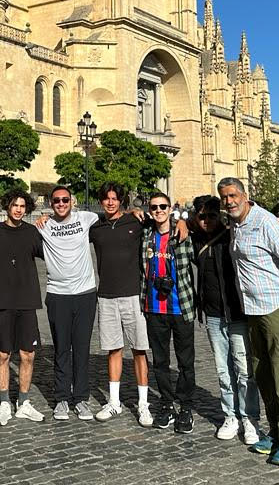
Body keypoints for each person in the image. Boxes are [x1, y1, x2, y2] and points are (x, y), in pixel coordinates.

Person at [217, 177, 279, 468]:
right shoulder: (235, 225)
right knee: (262, 373)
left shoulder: (266, 222)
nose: (229, 201)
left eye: (233, 195)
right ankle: (275, 432)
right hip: (252, 310)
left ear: (245, 195)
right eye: (224, 197)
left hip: (277, 306)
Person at [189, 195, 260, 445]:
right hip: (213, 315)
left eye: (212, 215)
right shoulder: (196, 239)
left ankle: (250, 418)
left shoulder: (234, 235)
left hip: (238, 313)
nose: (207, 220)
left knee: (244, 370)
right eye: (202, 216)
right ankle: (230, 416)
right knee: (222, 370)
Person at [35, 185, 100, 421]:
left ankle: (81, 398)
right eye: (56, 201)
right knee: (61, 349)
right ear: (50, 203)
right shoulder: (43, 226)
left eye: (65, 200)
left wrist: (134, 211)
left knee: (82, 349)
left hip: (85, 294)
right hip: (58, 295)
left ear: (72, 201)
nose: (61, 204)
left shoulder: (86, 218)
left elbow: (114, 217)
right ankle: (61, 398)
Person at [90, 182, 151, 427]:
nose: (110, 202)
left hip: (133, 295)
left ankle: (143, 404)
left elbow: (163, 223)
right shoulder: (96, 227)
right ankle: (114, 402)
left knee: (139, 349)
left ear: (121, 201)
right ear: (101, 201)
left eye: (114, 198)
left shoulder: (136, 222)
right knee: (113, 349)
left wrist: (181, 223)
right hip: (106, 296)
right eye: (106, 198)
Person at [0, 188, 46, 426]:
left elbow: (53, 248)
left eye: (22, 206)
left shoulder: (32, 232)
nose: (19, 210)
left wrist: (48, 220)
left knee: (28, 354)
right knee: (3, 354)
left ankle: (23, 402)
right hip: (2, 300)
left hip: (27, 300)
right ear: (7, 207)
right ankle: (3, 402)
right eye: (14, 205)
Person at [141, 192, 196, 434]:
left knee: (186, 362)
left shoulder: (183, 233)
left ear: (171, 208)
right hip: (154, 307)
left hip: (180, 306)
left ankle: (186, 407)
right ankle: (166, 404)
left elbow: (209, 226)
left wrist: (184, 222)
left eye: (163, 206)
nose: (159, 210)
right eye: (154, 207)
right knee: (160, 362)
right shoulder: (145, 233)